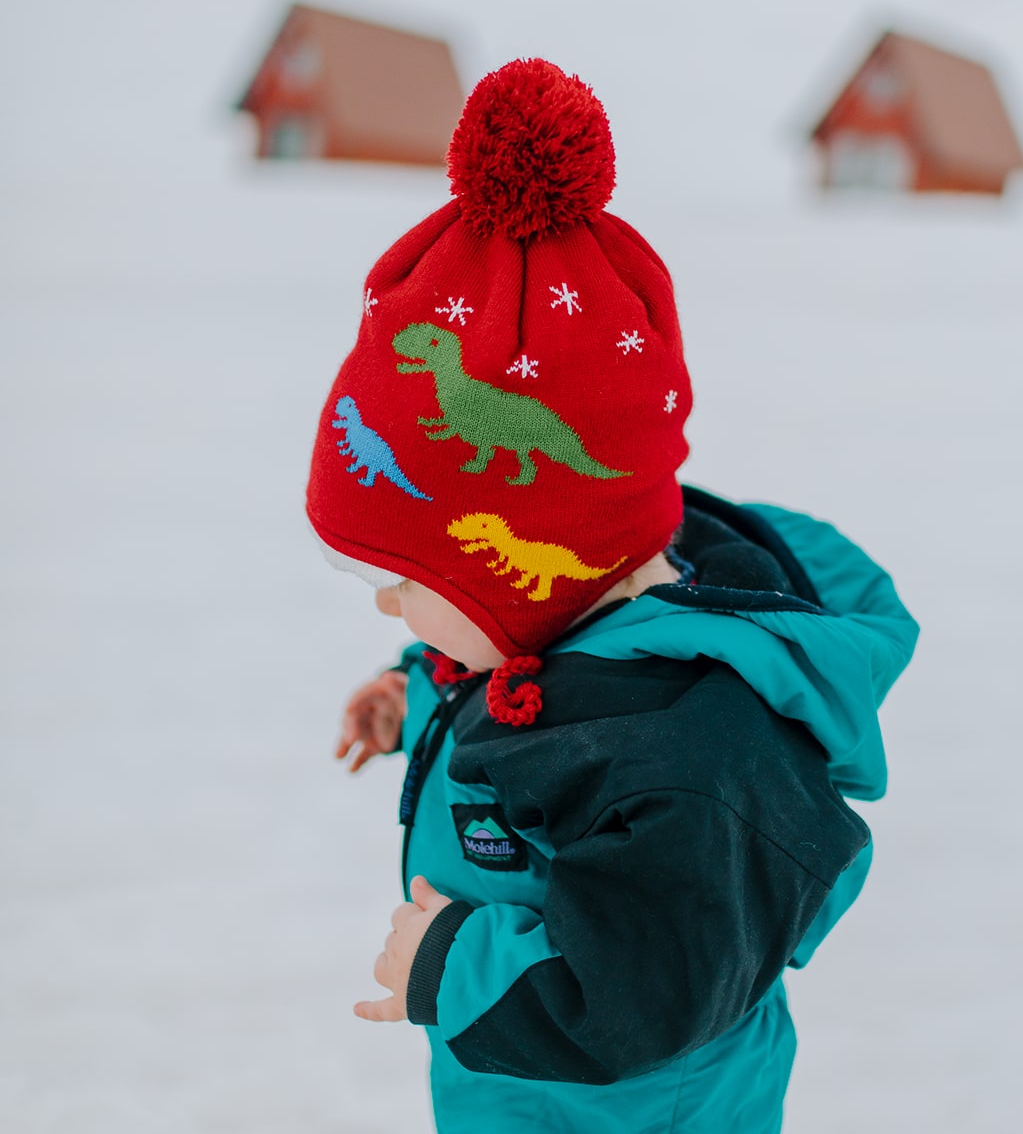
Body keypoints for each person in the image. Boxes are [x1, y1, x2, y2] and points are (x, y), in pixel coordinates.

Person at [306, 59, 918, 1134]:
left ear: (531, 558)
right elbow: (507, 656)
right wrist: (416, 688)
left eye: (412, 583)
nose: (391, 608)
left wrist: (448, 964)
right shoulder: (550, 626)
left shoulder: (689, 757)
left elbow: (648, 985)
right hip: (523, 1093)